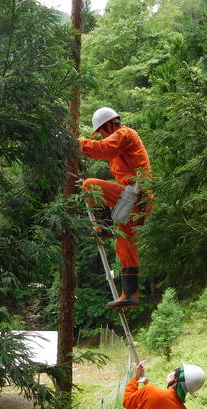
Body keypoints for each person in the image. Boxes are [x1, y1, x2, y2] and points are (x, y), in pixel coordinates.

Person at [79, 107, 153, 309]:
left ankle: (103, 227)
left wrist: (77, 143)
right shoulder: (119, 142)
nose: (102, 136)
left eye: (102, 132)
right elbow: (106, 150)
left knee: (89, 185)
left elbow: (104, 148)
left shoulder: (124, 134)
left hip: (137, 195)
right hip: (136, 197)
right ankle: (130, 294)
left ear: (109, 126)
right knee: (125, 243)